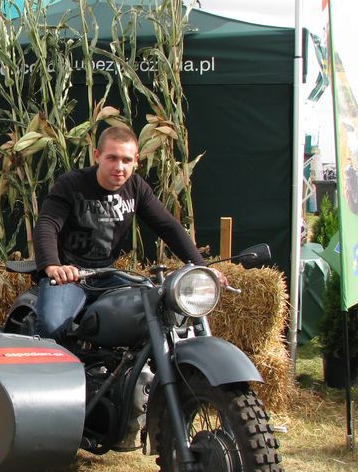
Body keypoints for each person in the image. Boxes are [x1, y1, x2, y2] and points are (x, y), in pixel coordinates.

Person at [33, 125, 224, 341]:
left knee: (158, 308)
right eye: (112, 158)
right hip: (70, 276)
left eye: (126, 160)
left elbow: (168, 226)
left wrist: (201, 266)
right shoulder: (72, 183)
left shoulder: (136, 187)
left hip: (107, 275)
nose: (119, 167)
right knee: (52, 327)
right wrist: (53, 265)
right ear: (97, 156)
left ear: (136, 160)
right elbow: (47, 223)